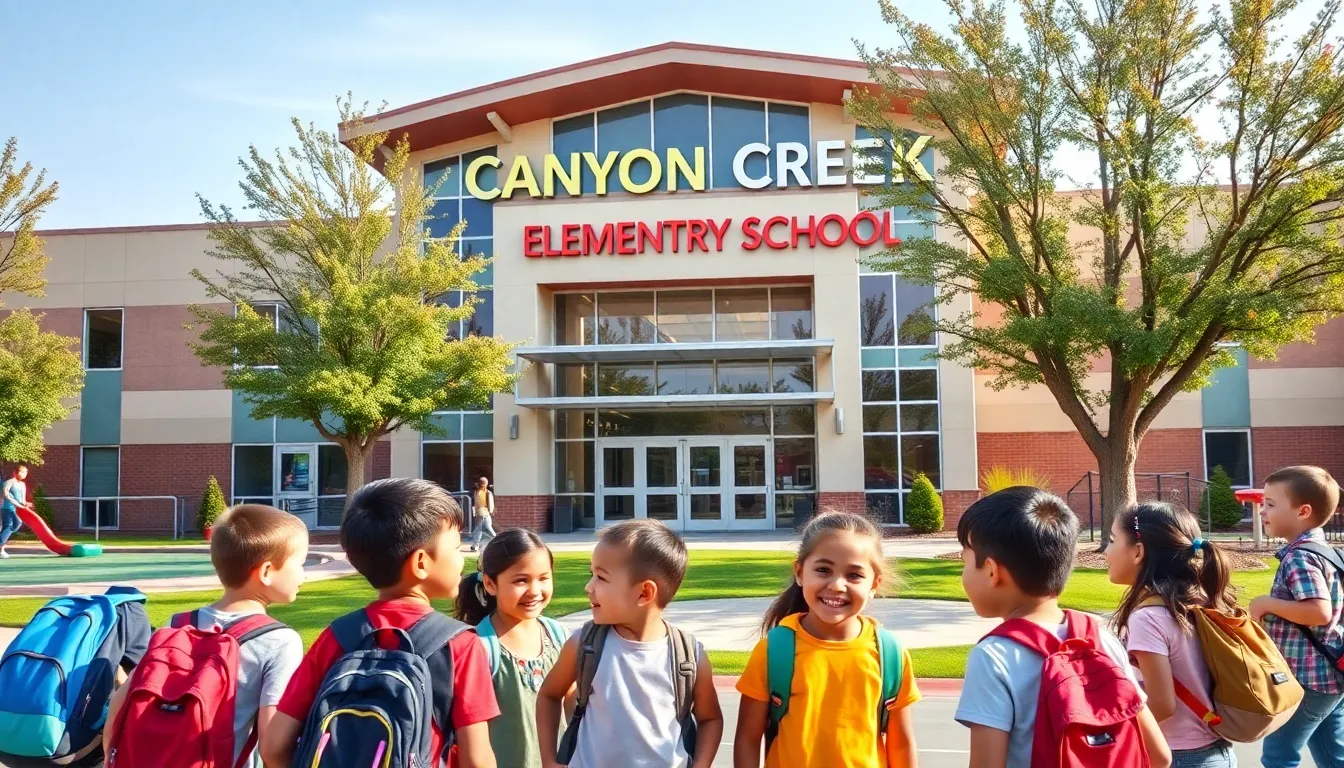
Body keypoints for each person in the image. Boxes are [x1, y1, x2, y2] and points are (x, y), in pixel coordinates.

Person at [261, 478, 499, 768]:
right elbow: (477, 759)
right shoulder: (459, 644)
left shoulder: (337, 636)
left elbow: (273, 747)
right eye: (456, 548)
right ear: (421, 563)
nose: (461, 560)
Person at [954, 486, 1171, 768]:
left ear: (993, 572)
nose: (964, 574)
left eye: (965, 563)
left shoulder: (994, 656)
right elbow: (1160, 756)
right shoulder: (1100, 638)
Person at [104, 504, 308, 768]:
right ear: (267, 572)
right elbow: (273, 745)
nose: (303, 573)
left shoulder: (176, 624)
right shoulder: (279, 641)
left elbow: (122, 702)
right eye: (300, 563)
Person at [733, 511, 921, 768]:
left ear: (874, 584)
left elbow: (901, 745)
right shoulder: (774, 651)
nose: (836, 585)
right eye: (823, 570)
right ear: (799, 572)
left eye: (854, 575)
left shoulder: (890, 655)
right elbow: (747, 739)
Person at [537, 519, 724, 768]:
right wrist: (550, 760)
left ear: (645, 593)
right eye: (591, 574)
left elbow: (710, 719)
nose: (588, 587)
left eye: (601, 578)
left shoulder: (689, 657)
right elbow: (549, 695)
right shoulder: (584, 644)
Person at [1106, 501, 1239, 767]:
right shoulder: (1198, 600)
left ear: (1138, 552)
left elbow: (1162, 705)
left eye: (1111, 540)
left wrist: (1111, 731)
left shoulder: (1148, 618)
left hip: (1179, 755)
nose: (1106, 551)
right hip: (1215, 749)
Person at [1250, 465, 1344, 768]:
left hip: (1310, 678)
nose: (1262, 511)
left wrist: (1267, 603)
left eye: (1271, 504)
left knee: (1279, 755)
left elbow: (1318, 611)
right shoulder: (1326, 552)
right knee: (1332, 753)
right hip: (1331, 674)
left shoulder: (1300, 557)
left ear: (1303, 511)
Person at [455, 529, 568, 768]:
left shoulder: (558, 636)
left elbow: (572, 702)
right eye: (521, 580)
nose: (535, 590)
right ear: (490, 584)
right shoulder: (480, 646)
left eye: (544, 578)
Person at [0, 464, 33, 558]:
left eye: (26, 472)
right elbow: (7, 495)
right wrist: (17, 504)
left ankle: (1, 546)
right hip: (8, 508)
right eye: (22, 471)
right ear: (15, 472)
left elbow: (22, 499)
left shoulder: (22, 485)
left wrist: (26, 503)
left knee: (16, 525)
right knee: (8, 526)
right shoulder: (9, 482)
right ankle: (1, 548)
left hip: (18, 509)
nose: (24, 474)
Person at [471, 476, 497, 552]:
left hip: (483, 513)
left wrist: (491, 511)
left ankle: (476, 545)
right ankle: (475, 545)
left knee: (482, 529)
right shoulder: (483, 492)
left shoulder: (482, 492)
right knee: (483, 529)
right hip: (482, 513)